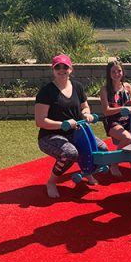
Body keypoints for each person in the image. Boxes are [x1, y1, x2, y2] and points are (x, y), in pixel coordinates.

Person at [35, 54, 108, 198]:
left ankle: (88, 171)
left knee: (102, 148)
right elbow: (40, 121)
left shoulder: (77, 87)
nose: (62, 70)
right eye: (58, 67)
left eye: (65, 67)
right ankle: (51, 182)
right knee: (70, 153)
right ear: (53, 70)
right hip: (50, 135)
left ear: (71, 69)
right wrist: (62, 124)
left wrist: (87, 114)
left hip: (76, 132)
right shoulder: (46, 92)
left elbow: (85, 107)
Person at [100, 58, 131, 176]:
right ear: (109, 74)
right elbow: (106, 111)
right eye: (113, 72)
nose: (116, 74)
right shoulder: (105, 90)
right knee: (127, 137)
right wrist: (122, 109)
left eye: (119, 71)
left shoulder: (127, 87)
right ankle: (114, 163)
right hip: (113, 121)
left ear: (123, 72)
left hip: (128, 120)